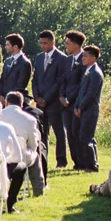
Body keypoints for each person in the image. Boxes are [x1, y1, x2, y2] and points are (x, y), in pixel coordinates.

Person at [32, 30, 70, 170]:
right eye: (41, 43)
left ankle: (61, 161)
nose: (42, 46)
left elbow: (60, 81)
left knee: (59, 133)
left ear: (53, 42)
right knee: (42, 133)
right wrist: (36, 96)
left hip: (54, 103)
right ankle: (43, 158)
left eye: (45, 43)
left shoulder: (62, 58)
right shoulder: (39, 58)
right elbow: (35, 79)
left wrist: (47, 98)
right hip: (40, 102)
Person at [70, 41, 102, 172]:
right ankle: (82, 162)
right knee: (78, 135)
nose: (82, 58)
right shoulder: (87, 71)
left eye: (85, 56)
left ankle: (92, 164)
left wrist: (81, 107)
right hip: (81, 108)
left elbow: (90, 94)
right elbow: (81, 91)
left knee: (86, 136)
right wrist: (76, 106)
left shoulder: (95, 73)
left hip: (90, 110)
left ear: (93, 58)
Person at [0, 34, 32, 105]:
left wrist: (9, 99)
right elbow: (2, 80)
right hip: (3, 100)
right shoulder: (8, 61)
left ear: (15, 47)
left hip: (14, 101)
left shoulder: (25, 63)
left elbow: (20, 85)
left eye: (8, 45)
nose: (6, 47)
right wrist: (0, 95)